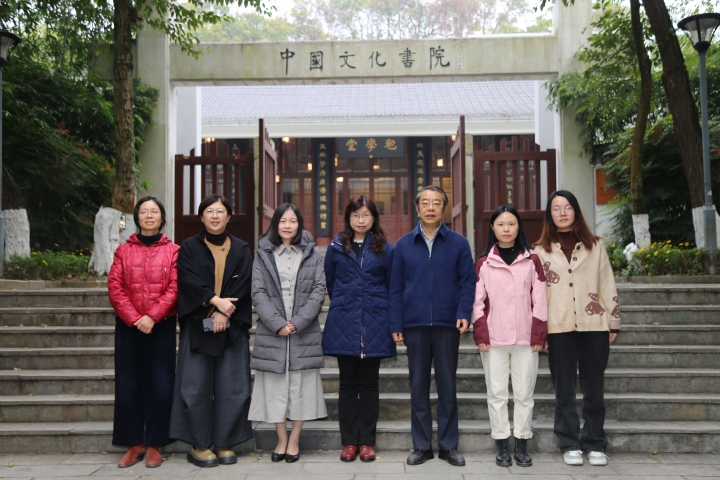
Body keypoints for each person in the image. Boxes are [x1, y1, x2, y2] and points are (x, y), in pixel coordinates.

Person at [389, 185, 476, 467]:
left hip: (447, 324)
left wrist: (463, 312)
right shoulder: (403, 245)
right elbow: (395, 288)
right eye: (425, 202)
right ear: (417, 208)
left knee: (447, 386)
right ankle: (422, 446)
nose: (430, 207)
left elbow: (467, 282)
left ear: (444, 208)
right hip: (414, 325)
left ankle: (449, 446)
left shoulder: (459, 243)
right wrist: (396, 322)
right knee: (418, 386)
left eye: (436, 203)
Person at [534, 190, 620, 467]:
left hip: (594, 326)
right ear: (550, 214)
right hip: (557, 328)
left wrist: (613, 321)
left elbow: (607, 283)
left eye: (568, 207)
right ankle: (569, 442)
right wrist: (540, 330)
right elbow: (536, 295)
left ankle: (595, 442)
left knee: (594, 389)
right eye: (556, 208)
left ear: (576, 211)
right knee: (564, 390)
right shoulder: (540, 251)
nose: (562, 213)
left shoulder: (595, 246)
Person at [169, 194, 253, 468]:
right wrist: (214, 302)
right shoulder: (189, 247)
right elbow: (188, 280)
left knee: (233, 388)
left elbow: (244, 285)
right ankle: (199, 444)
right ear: (201, 217)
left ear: (229, 217)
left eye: (220, 211)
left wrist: (223, 313)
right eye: (209, 211)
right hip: (198, 325)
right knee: (194, 388)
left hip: (231, 327)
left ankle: (224, 441)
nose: (215, 216)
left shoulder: (242, 249)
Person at [249, 203, 327, 463]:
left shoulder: (312, 254)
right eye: (282, 221)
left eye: (292, 221)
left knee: (301, 387)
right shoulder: (263, 254)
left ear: (299, 224)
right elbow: (257, 292)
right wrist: (277, 323)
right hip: (273, 331)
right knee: (275, 388)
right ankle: (281, 439)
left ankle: (294, 440)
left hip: (303, 331)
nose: (287, 226)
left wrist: (297, 322)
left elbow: (319, 290)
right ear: (275, 224)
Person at [472, 205, 547, 468]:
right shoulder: (484, 263)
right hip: (494, 339)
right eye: (501, 224)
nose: (506, 229)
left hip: (526, 338)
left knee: (524, 393)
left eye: (511, 224)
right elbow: (477, 302)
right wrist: (481, 333)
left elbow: (540, 299)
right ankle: (502, 443)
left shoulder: (532, 260)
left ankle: (522, 441)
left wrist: (539, 333)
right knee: (497, 393)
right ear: (492, 228)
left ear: (518, 227)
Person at [323, 195, 396, 463]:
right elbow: (331, 283)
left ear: (374, 218)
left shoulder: (385, 249)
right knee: (346, 383)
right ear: (348, 218)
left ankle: (366, 441)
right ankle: (348, 442)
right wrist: (348, 303)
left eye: (366, 215)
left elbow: (391, 285)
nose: (361, 220)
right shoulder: (335, 247)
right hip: (344, 321)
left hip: (375, 322)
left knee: (369, 384)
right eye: (355, 215)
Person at [108, 196, 179, 469]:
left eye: (154, 211)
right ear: (137, 217)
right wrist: (135, 318)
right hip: (129, 327)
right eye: (144, 211)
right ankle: (134, 443)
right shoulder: (123, 250)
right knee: (128, 385)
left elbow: (175, 288)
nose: (149, 216)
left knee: (160, 385)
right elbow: (115, 287)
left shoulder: (174, 250)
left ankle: (155, 443)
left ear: (162, 217)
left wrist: (152, 317)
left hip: (161, 326)